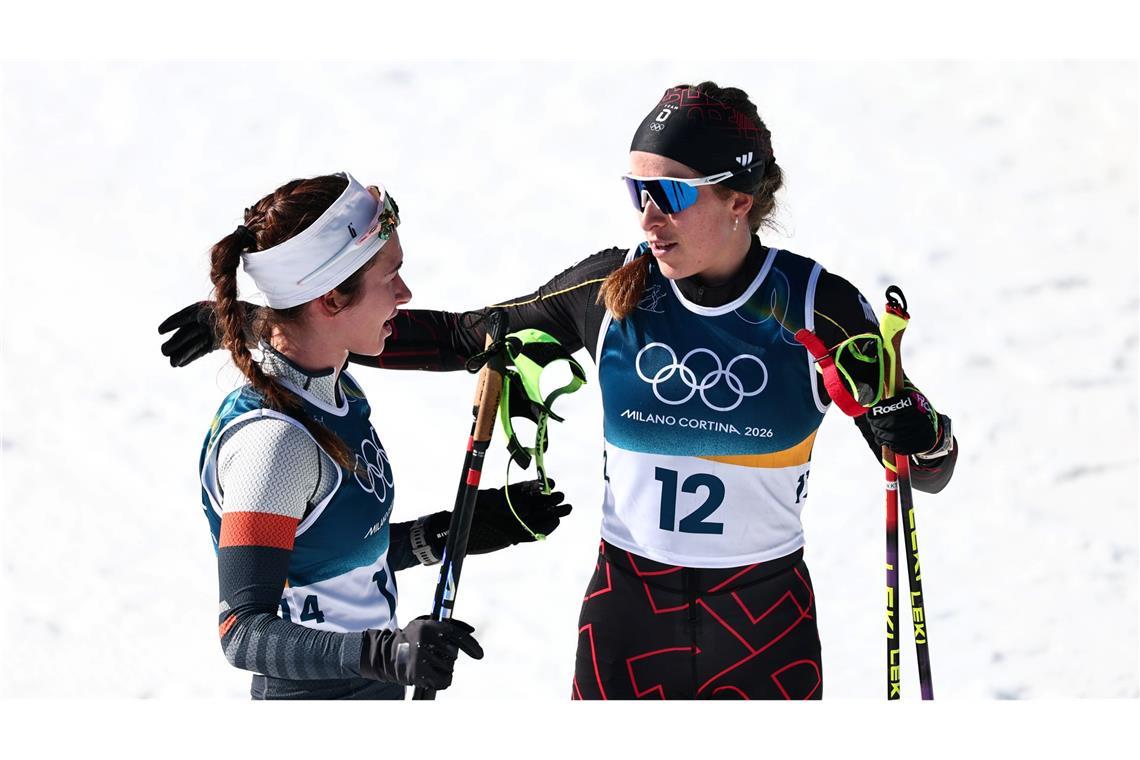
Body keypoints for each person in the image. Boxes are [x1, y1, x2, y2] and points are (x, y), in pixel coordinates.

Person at [161, 84, 957, 700]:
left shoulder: (817, 307)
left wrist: (915, 428)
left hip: (761, 623)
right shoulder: (611, 290)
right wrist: (264, 318)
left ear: (738, 199)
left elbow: (924, 467)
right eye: (636, 192)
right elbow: (462, 337)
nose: (649, 217)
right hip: (629, 615)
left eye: (672, 195)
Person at [183, 171, 571, 700]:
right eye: (390, 278)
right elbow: (244, 631)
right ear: (330, 299)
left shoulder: (339, 394)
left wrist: (450, 532)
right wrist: (384, 654)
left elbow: (334, 566)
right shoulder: (273, 443)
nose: (405, 294)